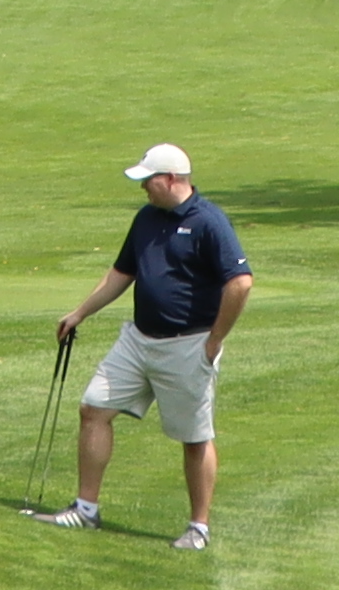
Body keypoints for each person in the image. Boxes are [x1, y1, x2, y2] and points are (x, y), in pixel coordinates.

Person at [45, 140, 251, 549]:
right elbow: (122, 273)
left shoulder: (209, 222)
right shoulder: (146, 218)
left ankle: (199, 528)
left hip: (189, 345)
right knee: (93, 409)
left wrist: (214, 341)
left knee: (194, 437)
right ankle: (86, 510)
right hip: (138, 340)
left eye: (148, 180)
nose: (143, 188)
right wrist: (80, 312)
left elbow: (240, 282)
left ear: (172, 179)